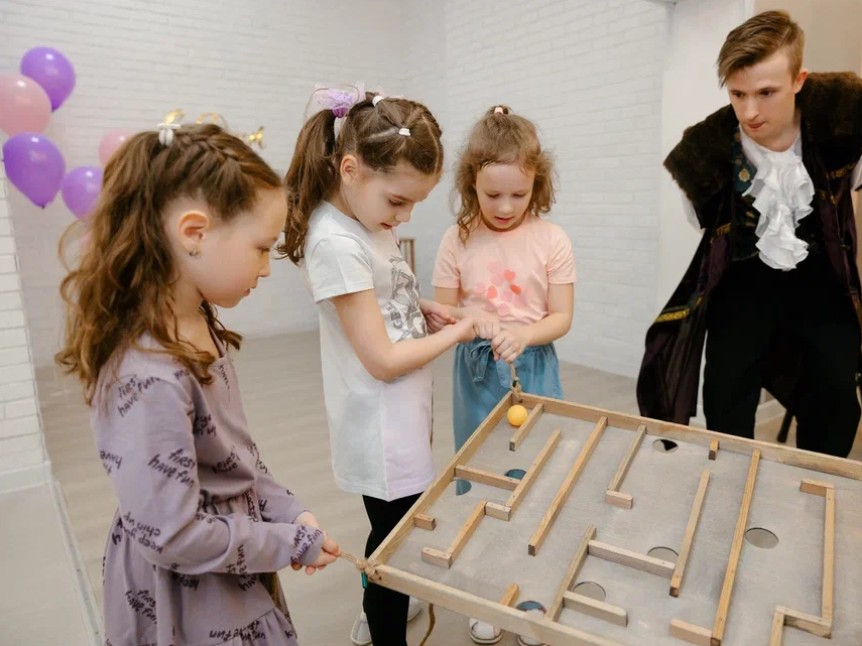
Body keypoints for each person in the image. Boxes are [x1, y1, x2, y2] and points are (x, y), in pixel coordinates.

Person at [55, 123, 340, 645]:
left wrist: (288, 511)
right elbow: (174, 534)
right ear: (194, 233)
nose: (266, 268)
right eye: (261, 248)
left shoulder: (202, 320)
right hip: (189, 586)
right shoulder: (149, 376)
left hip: (229, 551)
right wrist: (283, 543)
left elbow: (233, 458)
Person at [637, 10, 862, 457]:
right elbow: (702, 223)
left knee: (833, 398)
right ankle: (729, 487)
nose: (750, 112)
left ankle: (817, 485)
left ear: (799, 80)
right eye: (738, 94)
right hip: (743, 289)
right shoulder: (704, 151)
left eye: (766, 92)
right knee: (726, 398)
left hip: (823, 283)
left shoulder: (849, 116)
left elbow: (857, 172)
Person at [281, 85, 475, 646]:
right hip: (380, 423)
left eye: (414, 204)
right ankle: (383, 626)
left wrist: (423, 307)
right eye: (397, 201)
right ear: (350, 170)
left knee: (398, 533)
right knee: (393, 544)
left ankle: (387, 610)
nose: (404, 216)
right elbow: (383, 360)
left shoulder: (368, 223)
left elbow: (379, 296)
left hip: (402, 413)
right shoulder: (335, 243)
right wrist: (460, 331)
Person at [433, 105, 575, 645]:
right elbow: (443, 311)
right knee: (481, 478)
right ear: (471, 182)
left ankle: (530, 595)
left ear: (538, 183)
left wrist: (524, 333)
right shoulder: (457, 238)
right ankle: (486, 590)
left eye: (519, 193)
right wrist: (473, 320)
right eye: (493, 195)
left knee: (538, 479)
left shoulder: (552, 239)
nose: (506, 207)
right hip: (476, 371)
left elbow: (561, 317)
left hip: (533, 366)